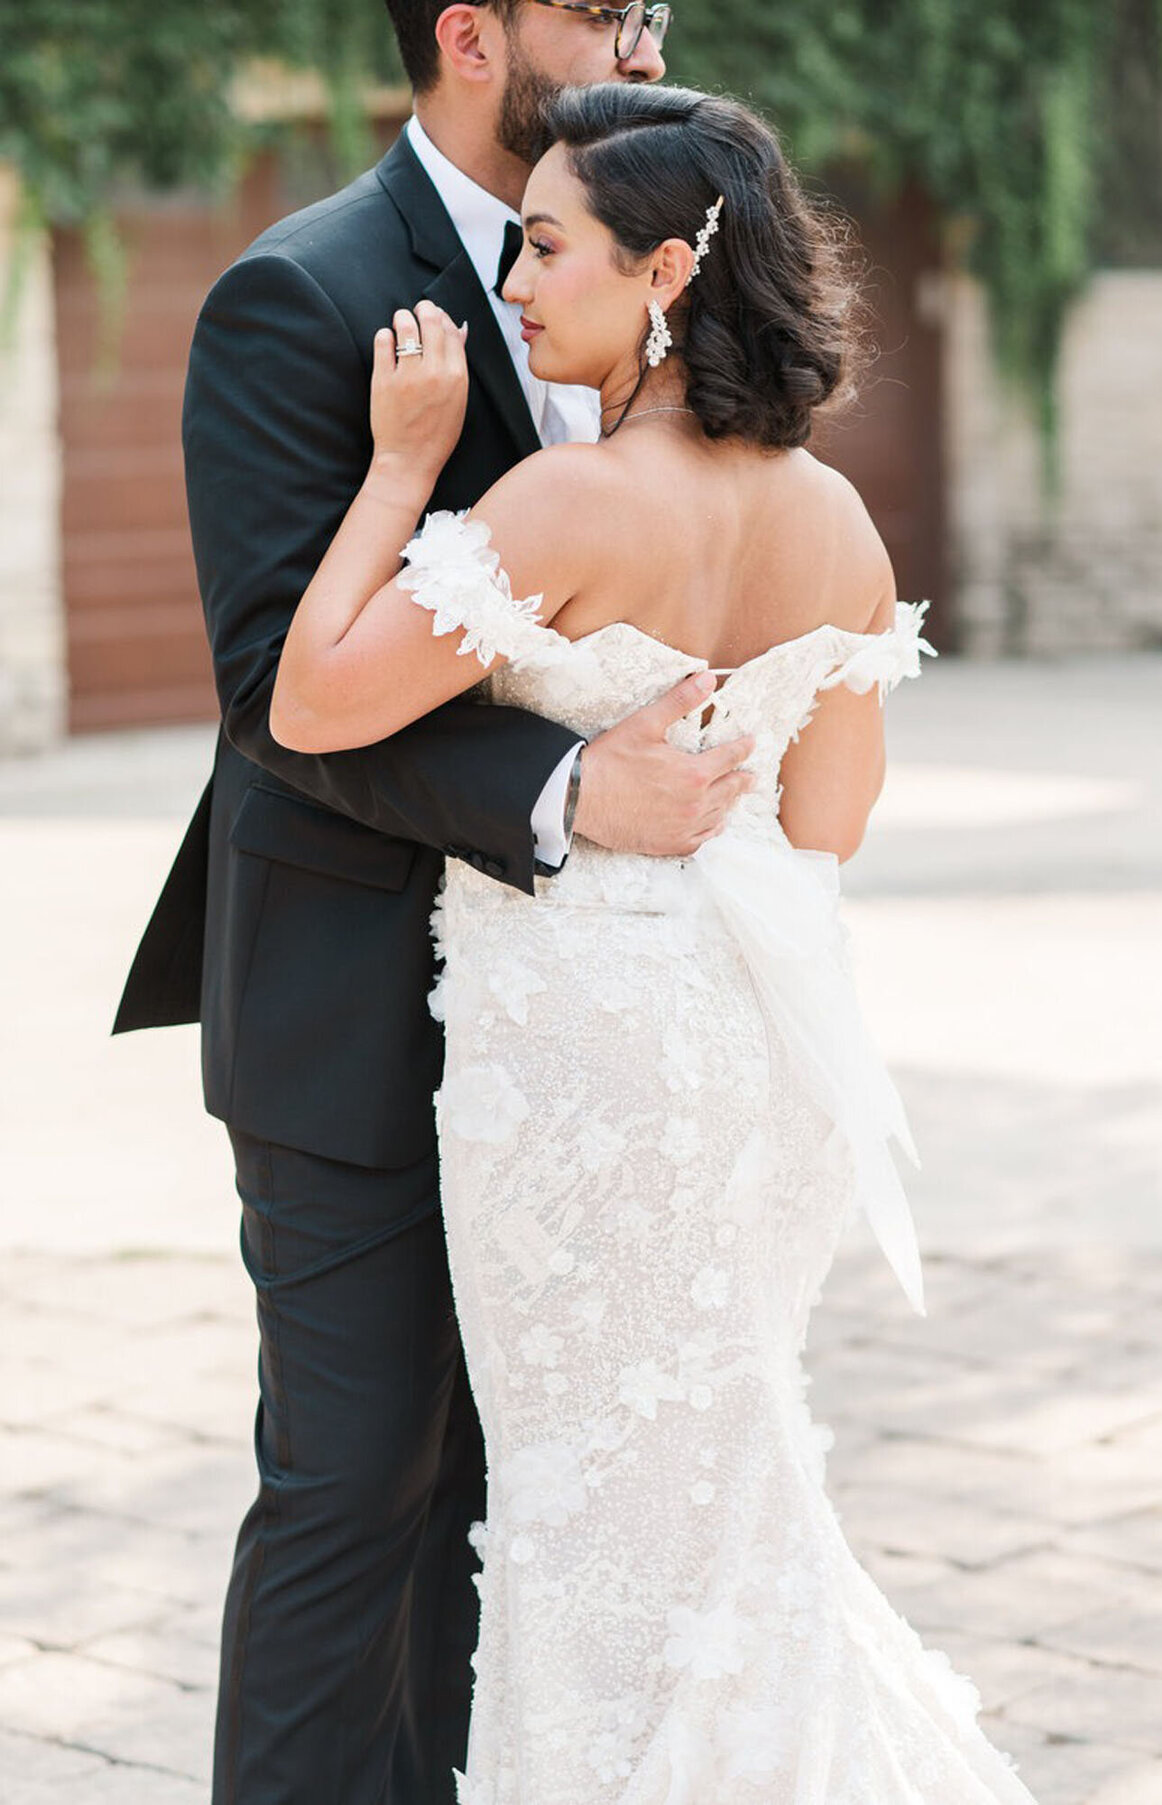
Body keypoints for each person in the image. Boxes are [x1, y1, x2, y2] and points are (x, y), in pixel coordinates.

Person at [271, 77, 1041, 1805]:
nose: (519, 286)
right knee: (719, 1473)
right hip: (761, 1054)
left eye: (549, 249)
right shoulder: (834, 520)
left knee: (587, 1498)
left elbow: (316, 699)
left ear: (670, 271)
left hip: (587, 1066)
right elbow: (826, 827)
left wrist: (400, 467)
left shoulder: (565, 503)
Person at [112, 7, 756, 1803]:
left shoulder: (666, 262)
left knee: (518, 1492)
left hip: (583, 1030)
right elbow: (273, 691)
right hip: (354, 1003)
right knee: (358, 1481)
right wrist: (567, 792)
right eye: (599, 4)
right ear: (473, 34)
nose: (644, 28)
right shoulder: (299, 296)